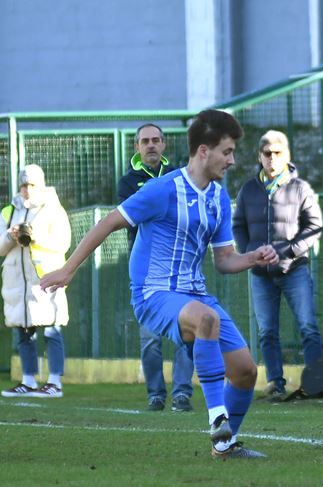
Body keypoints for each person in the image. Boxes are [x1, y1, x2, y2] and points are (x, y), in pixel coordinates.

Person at [41, 109, 279, 459]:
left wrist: (252, 257)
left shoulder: (217, 199)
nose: (232, 160)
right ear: (203, 151)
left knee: (245, 372)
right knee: (206, 320)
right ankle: (218, 423)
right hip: (153, 295)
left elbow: (224, 259)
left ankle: (225, 447)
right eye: (227, 152)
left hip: (194, 294)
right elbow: (109, 222)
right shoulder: (162, 190)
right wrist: (68, 269)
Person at [232, 130, 323, 401]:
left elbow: (314, 226)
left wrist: (287, 251)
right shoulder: (248, 189)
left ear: (287, 156)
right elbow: (238, 226)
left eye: (277, 153)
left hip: (294, 269)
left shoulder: (300, 188)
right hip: (260, 274)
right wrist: (251, 252)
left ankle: (316, 384)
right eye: (267, 154)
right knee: (267, 331)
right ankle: (275, 383)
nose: (272, 159)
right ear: (260, 156)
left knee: (307, 326)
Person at [118, 123, 194, 412]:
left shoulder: (179, 176)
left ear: (163, 145)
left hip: (179, 266)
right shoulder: (128, 182)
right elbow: (135, 216)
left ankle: (182, 393)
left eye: (155, 140)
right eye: (144, 141)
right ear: (137, 147)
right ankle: (156, 394)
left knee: (185, 333)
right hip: (147, 272)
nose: (150, 145)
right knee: (150, 338)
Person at [1, 165, 70, 399]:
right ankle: (28, 380)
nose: (27, 190)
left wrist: (34, 235)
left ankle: (54, 382)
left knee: (52, 329)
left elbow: (64, 242)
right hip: (17, 284)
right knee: (24, 332)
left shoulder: (53, 209)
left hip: (45, 280)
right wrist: (10, 236)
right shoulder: (9, 211)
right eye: (23, 185)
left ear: (40, 185)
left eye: (31, 185)